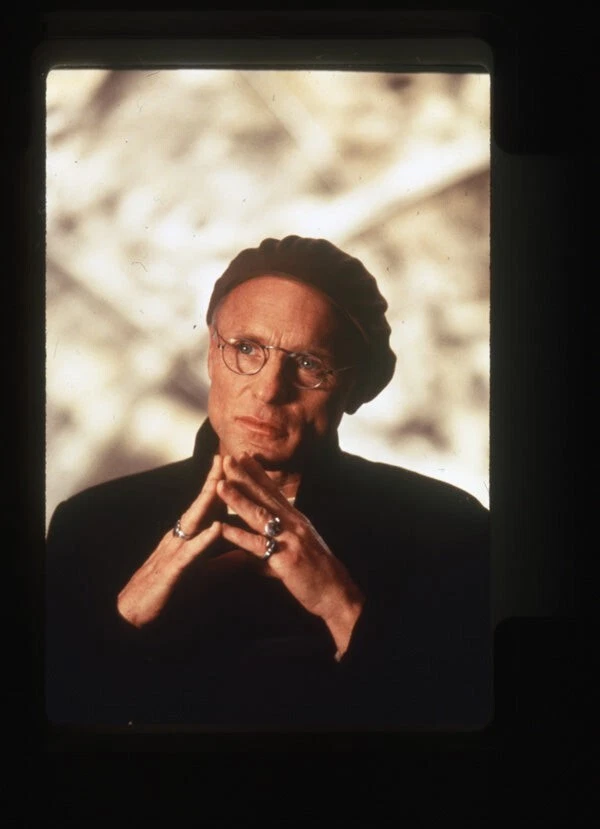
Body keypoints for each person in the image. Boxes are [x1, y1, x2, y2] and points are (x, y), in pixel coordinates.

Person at [45, 235, 491, 730]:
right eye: (246, 348)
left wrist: (341, 605)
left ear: (356, 387)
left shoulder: (448, 529)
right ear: (210, 354)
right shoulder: (88, 525)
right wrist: (125, 617)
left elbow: (466, 728)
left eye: (309, 364)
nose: (269, 388)